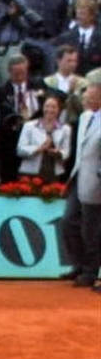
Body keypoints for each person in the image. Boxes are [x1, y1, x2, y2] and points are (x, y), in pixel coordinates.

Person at [70, 82, 101, 291]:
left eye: (90, 96)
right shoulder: (85, 117)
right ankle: (85, 269)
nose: (86, 99)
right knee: (79, 225)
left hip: (97, 182)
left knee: (93, 230)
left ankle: (90, 272)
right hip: (83, 178)